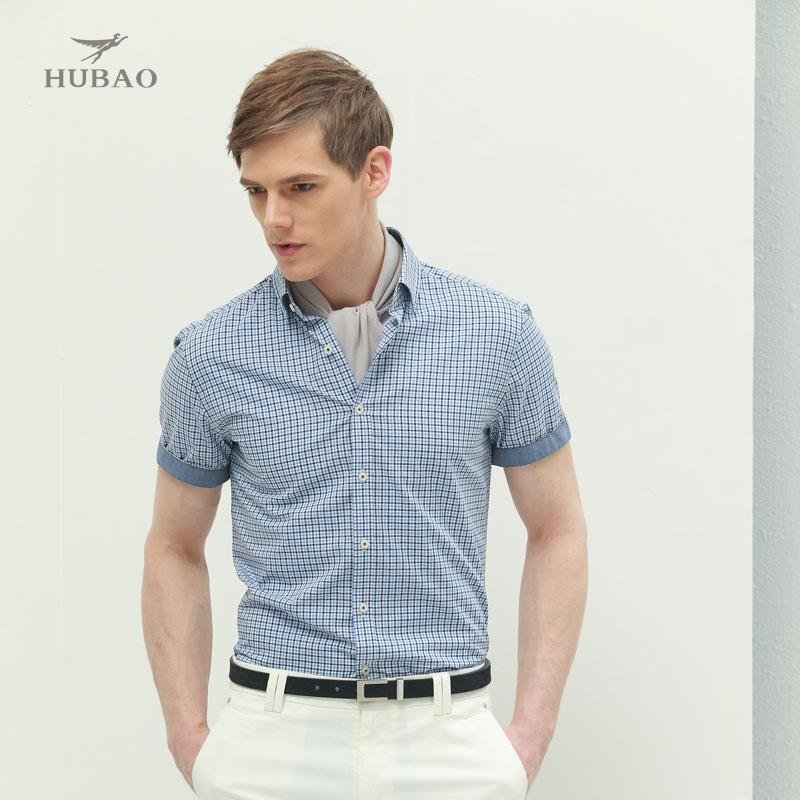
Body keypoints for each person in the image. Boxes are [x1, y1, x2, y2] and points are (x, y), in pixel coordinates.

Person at [142, 47, 588, 800]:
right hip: (270, 743)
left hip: (449, 742)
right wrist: (191, 739)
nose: (274, 218)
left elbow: (558, 529)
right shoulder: (211, 353)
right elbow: (173, 546)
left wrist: (530, 734)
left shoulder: (497, 335)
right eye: (255, 191)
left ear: (374, 171)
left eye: (301, 187)